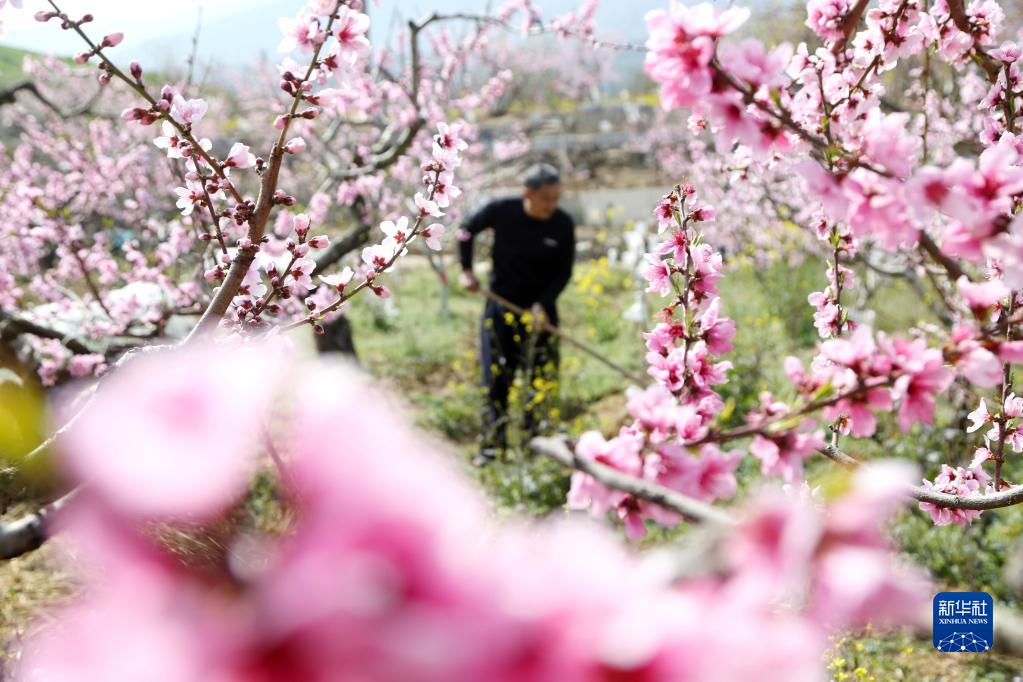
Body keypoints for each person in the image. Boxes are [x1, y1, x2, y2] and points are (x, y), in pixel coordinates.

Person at [458, 163, 576, 465]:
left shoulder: (562, 224)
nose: (552, 205)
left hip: (541, 312)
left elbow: (563, 272)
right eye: (546, 198)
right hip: (501, 306)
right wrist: (467, 270)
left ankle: (535, 445)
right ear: (528, 194)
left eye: (556, 198)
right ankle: (492, 448)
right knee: (497, 377)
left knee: (541, 377)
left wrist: (543, 304)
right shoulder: (502, 211)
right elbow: (465, 231)